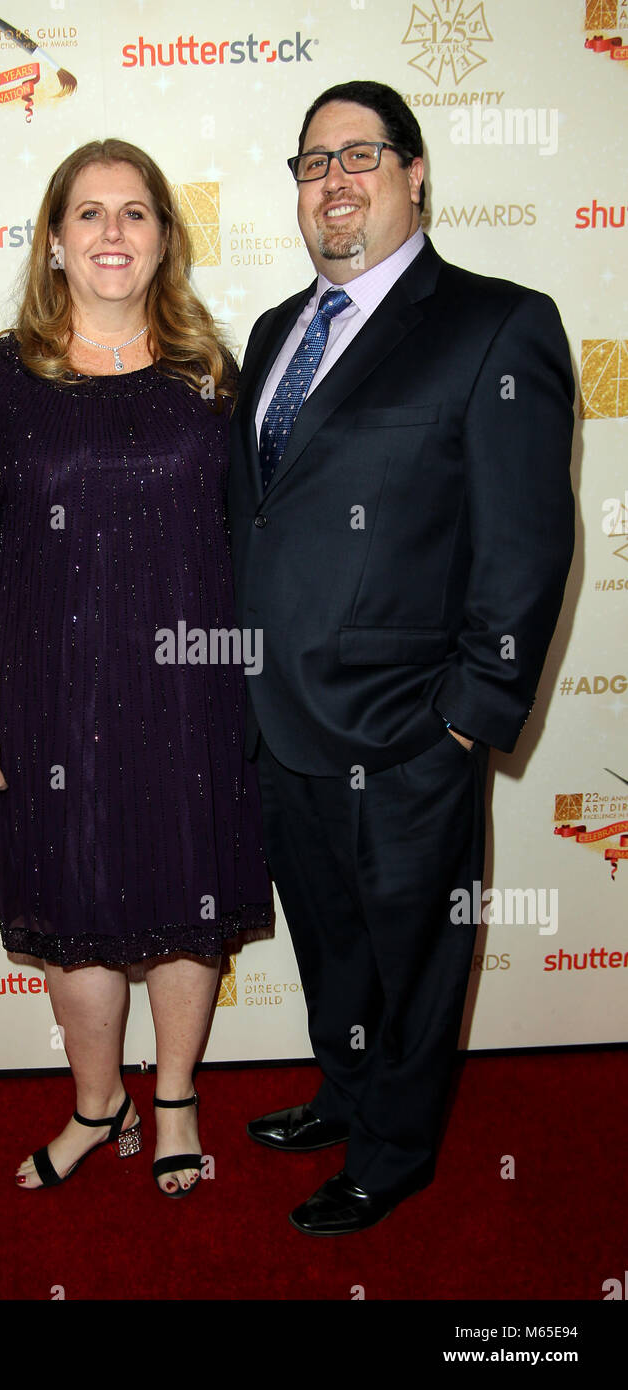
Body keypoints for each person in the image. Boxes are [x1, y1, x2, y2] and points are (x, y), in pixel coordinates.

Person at [227, 81, 575, 1235]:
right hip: (280, 721)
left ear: (415, 173)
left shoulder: (495, 323)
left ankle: (396, 1149)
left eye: (360, 155)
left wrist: (469, 713)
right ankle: (346, 1089)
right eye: (312, 161)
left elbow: (528, 542)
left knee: (416, 955)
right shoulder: (278, 332)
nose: (333, 180)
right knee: (330, 937)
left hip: (411, 726)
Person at [0, 138, 273, 1199]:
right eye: (90, 213)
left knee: (188, 899)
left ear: (166, 239)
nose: (113, 231)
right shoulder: (0, 377)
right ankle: (96, 1103)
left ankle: (172, 1097)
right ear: (55, 241)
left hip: (192, 692)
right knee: (71, 914)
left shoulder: (213, 376)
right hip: (52, 700)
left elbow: (265, 541)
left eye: (136, 213)